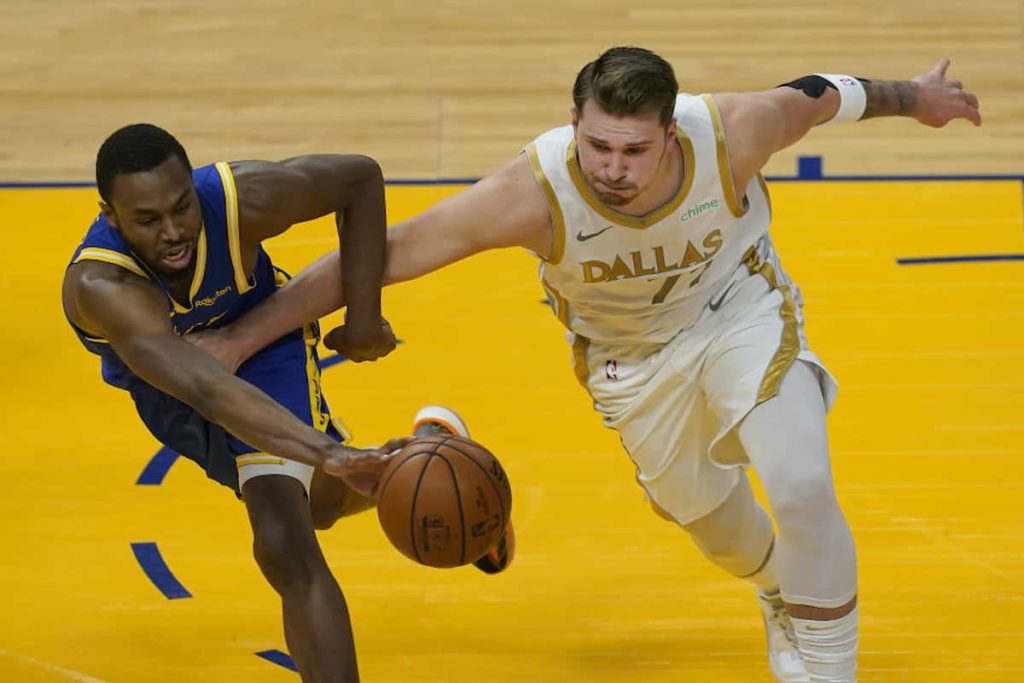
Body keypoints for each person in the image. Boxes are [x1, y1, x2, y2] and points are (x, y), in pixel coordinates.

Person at [190, 48, 981, 682]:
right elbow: (385, 255)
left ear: (672, 134)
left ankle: (830, 667)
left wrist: (914, 96)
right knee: (725, 538)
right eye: (597, 144)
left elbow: (823, 92)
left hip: (740, 312)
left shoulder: (735, 130)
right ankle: (779, 591)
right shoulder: (536, 191)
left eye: (634, 150)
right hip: (632, 366)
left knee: (803, 483)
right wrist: (240, 337)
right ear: (575, 124)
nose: (612, 167)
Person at [61, 124, 483, 683]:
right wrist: (331, 457)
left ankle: (412, 469)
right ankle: (420, 461)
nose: (172, 231)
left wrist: (361, 320)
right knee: (322, 505)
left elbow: (359, 179)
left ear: (193, 185)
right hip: (175, 384)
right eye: (147, 220)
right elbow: (207, 389)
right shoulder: (102, 286)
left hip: (264, 349)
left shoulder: (240, 199)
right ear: (112, 217)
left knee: (284, 543)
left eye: (181, 207)